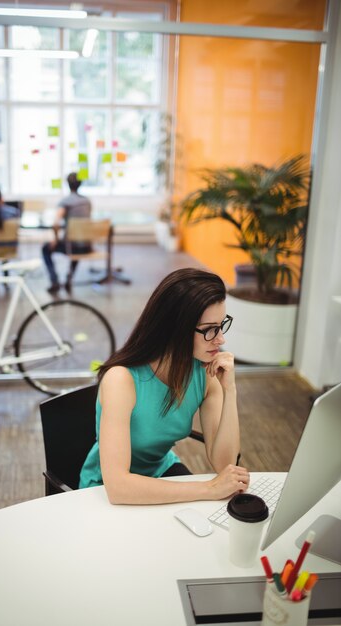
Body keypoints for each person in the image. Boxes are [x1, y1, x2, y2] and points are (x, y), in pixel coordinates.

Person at [79, 268, 249, 505]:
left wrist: (229, 390)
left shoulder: (204, 371)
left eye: (222, 326)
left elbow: (224, 465)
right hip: (106, 488)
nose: (221, 339)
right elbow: (118, 487)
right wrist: (208, 488)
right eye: (210, 330)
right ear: (175, 329)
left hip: (160, 470)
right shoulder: (121, 380)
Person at [42, 172, 92, 294]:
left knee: (46, 249)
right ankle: (69, 278)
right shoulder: (87, 202)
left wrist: (56, 238)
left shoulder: (65, 202)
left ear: (68, 184)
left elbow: (55, 223)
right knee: (77, 242)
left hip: (72, 247)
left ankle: (54, 281)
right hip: (86, 246)